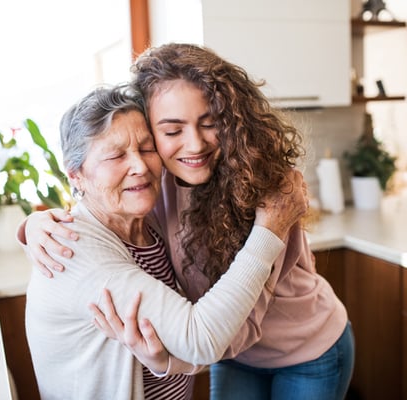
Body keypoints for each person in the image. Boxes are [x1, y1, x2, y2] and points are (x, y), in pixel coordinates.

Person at [20, 43, 354, 400]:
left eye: (209, 124)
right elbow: (97, 206)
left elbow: (242, 327)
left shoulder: (266, 191)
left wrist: (168, 360)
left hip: (305, 348)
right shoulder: (151, 186)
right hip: (230, 354)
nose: (194, 145)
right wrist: (31, 227)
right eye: (172, 131)